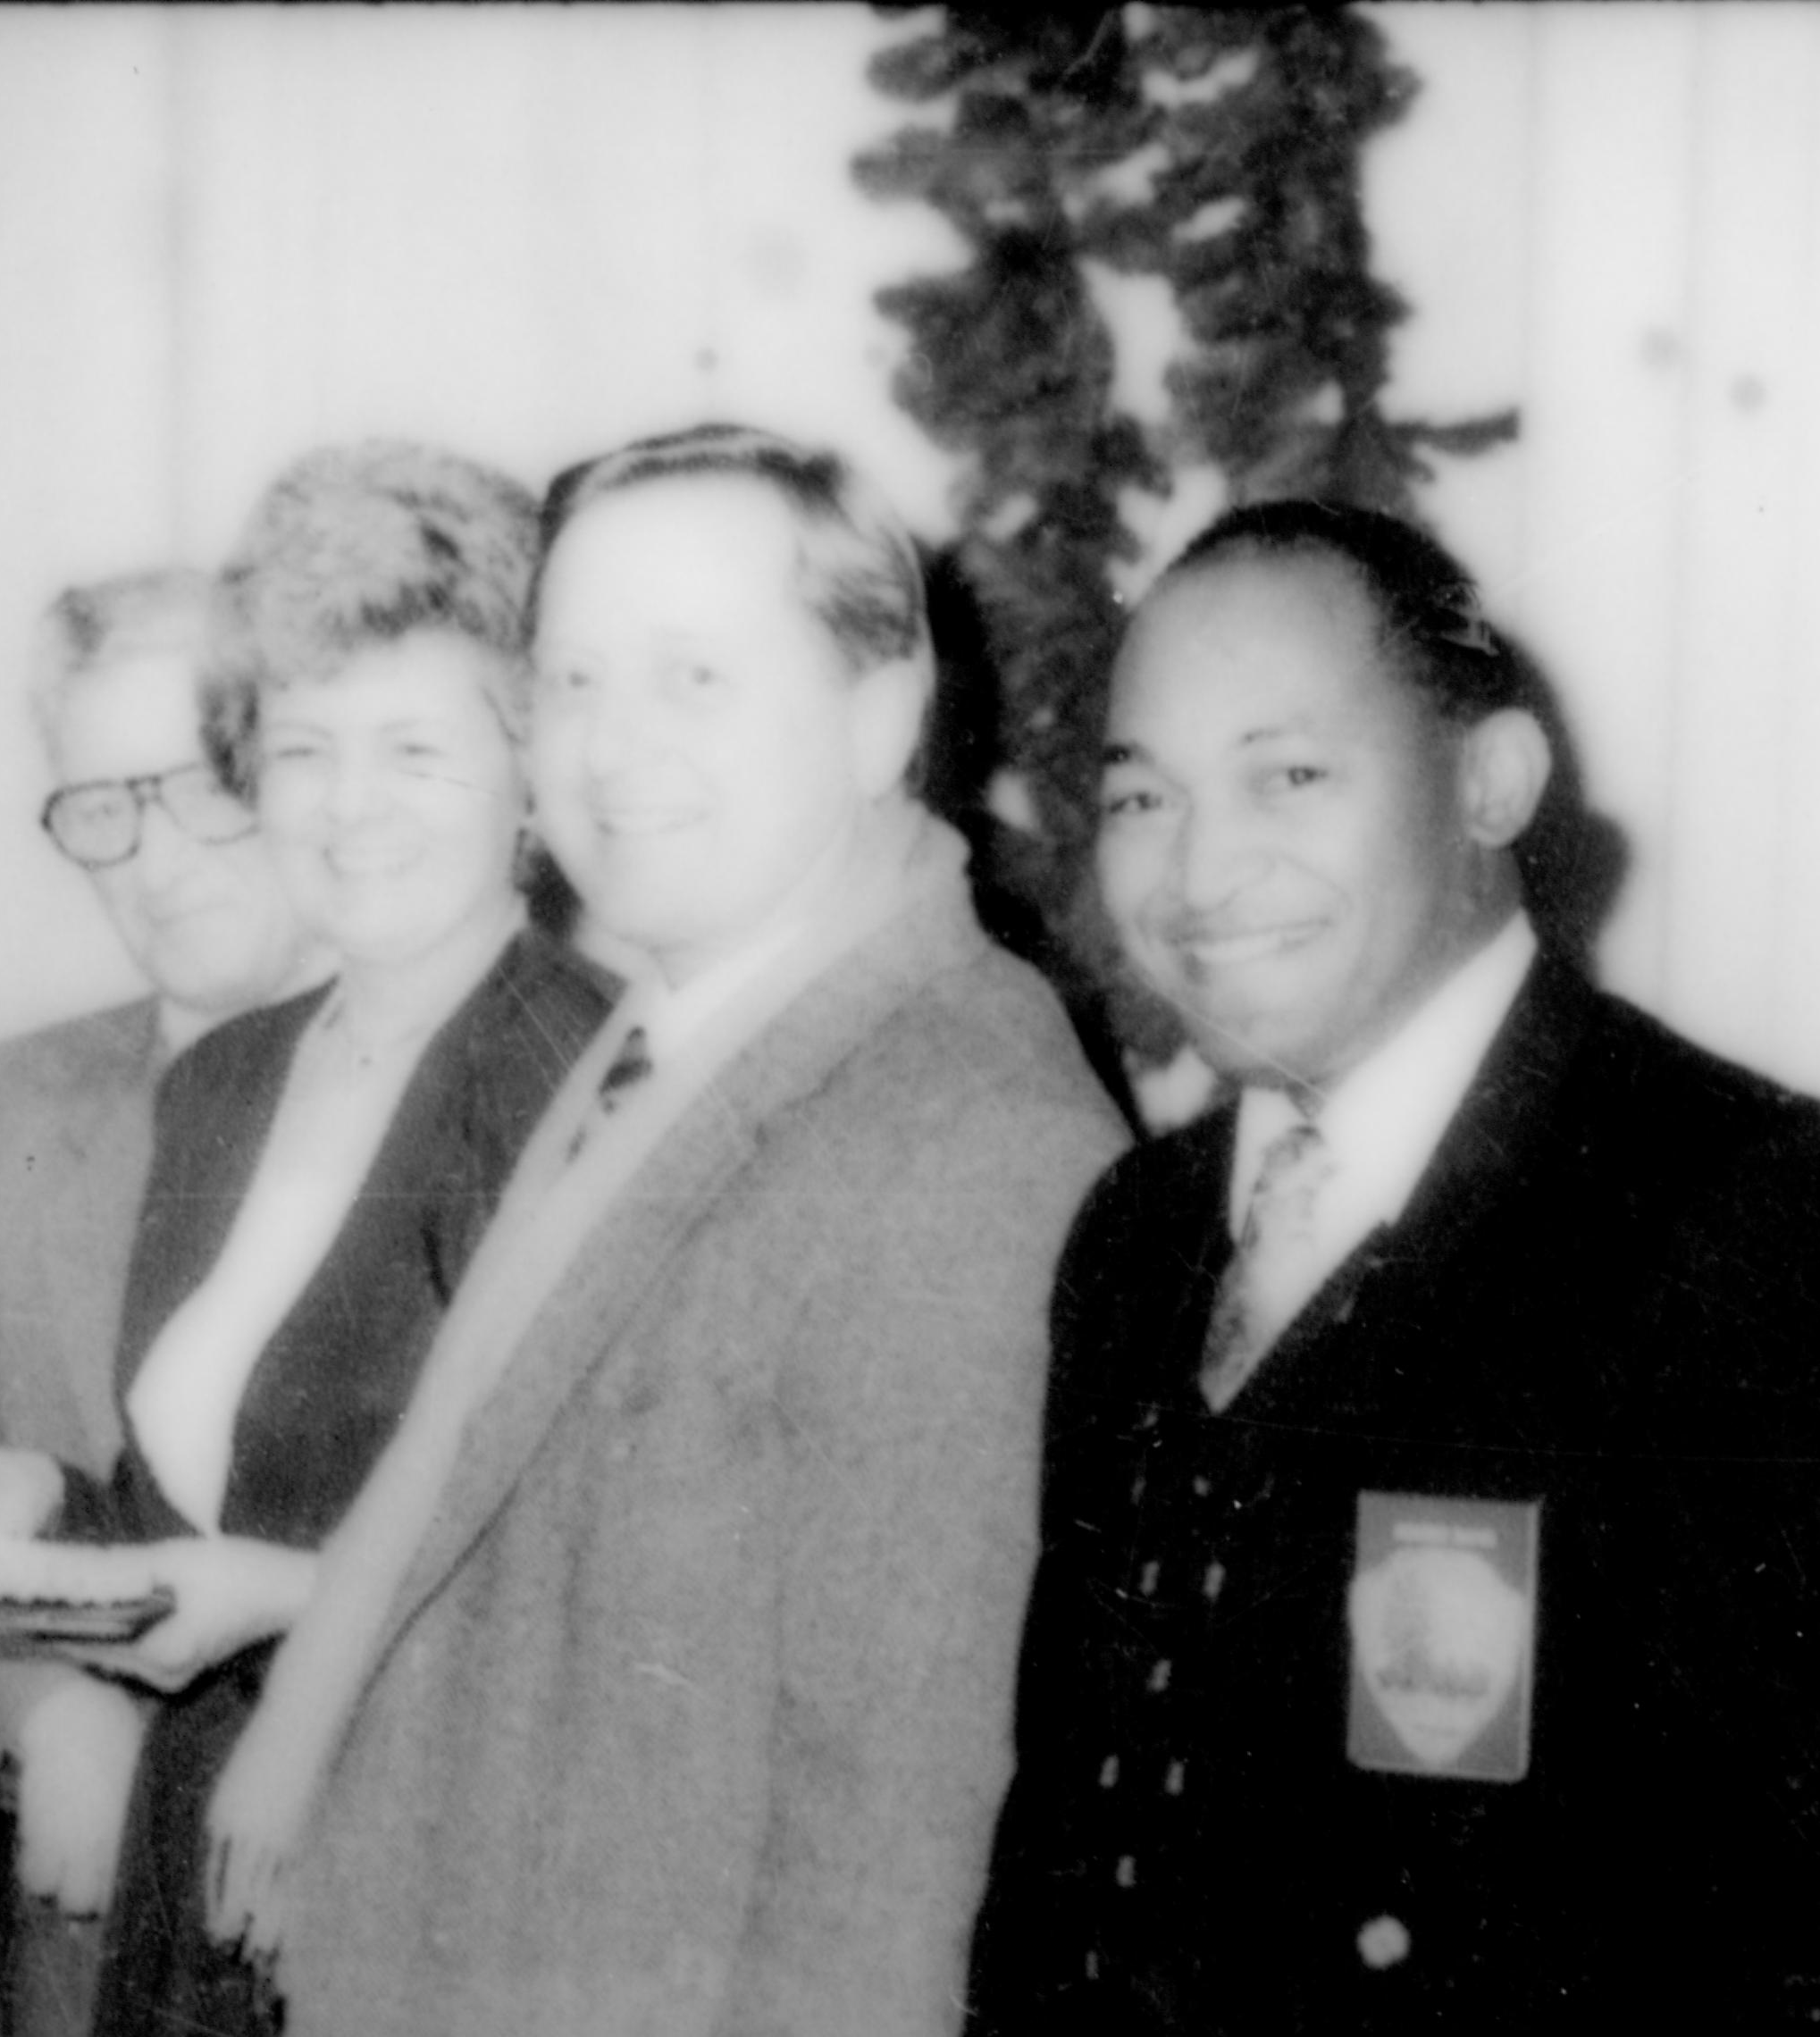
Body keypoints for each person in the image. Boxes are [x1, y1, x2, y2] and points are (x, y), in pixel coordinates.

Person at [964, 500, 1820, 2033]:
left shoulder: (1748, 1220)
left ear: (1489, 781)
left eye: (1288, 776)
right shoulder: (1135, 1242)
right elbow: (1073, 1850)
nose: (1201, 872)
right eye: (1144, 797)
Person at [200, 424, 1128, 2036]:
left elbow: (891, 1879)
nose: (610, 751)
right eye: (570, 683)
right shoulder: (676, 1029)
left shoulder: (966, 1138)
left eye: (692, 679)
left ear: (880, 714)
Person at [36, 441, 617, 2037]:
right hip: (194, 1883)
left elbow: (617, 1589)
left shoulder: (588, 1083)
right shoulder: (225, 1079)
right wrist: (41, 1503)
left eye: (415, 750)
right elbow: (204, 1494)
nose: (349, 809)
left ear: (525, 773)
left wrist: (294, 1599)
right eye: (303, 749)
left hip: (431, 1900)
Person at [0, 566, 324, 2033]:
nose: (152, 859)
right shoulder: (12, 1105)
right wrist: (38, 1710)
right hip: (93, 1975)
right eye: (100, 804)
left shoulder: (501, 1085)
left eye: (202, 787)